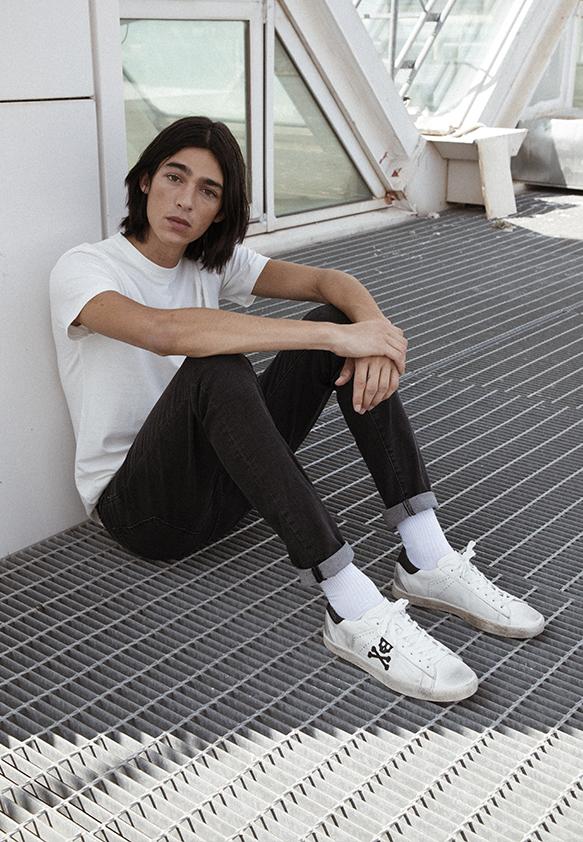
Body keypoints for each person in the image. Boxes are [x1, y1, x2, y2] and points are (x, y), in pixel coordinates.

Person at [49, 116, 544, 705]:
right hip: (145, 513)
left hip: (228, 490)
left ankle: (426, 554)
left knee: (335, 322)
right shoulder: (85, 267)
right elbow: (166, 332)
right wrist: (338, 339)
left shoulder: (210, 263)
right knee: (220, 365)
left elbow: (332, 282)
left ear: (221, 211)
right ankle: (350, 605)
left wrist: (374, 333)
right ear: (144, 181)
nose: (185, 201)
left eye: (208, 191)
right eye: (174, 178)